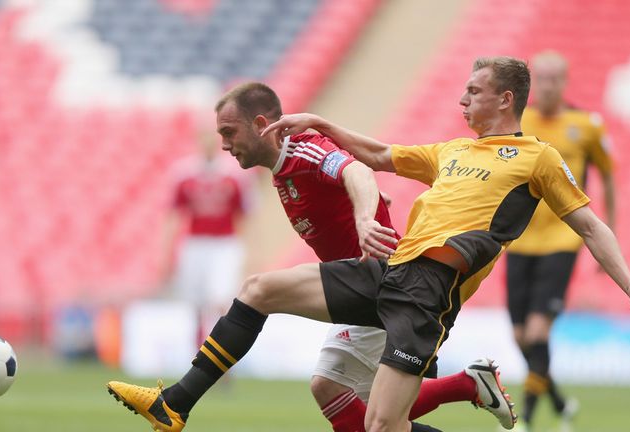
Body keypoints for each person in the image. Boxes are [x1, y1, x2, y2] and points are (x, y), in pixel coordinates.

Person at [258, 56, 630, 432]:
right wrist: (318, 122)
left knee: (380, 425)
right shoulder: (452, 150)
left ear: (505, 99)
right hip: (394, 271)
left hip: (432, 289)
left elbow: (590, 226)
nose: (462, 99)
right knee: (370, 415)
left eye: (473, 91)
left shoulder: (538, 158)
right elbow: (379, 154)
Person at [107, 82, 517, 432]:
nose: (225, 144)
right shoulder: (284, 168)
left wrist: (363, 218)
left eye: (230, 132)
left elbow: (358, 172)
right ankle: (469, 383)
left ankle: (175, 403)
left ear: (262, 125)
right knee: (362, 406)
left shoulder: (304, 150)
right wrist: (365, 206)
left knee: (259, 291)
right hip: (368, 288)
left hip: (381, 279)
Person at [504, 51, 616, 432]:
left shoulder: (585, 126)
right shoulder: (520, 122)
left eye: (555, 79)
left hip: (561, 240)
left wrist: (608, 232)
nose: (548, 85)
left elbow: (608, 174)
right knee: (521, 337)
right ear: (533, 82)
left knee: (537, 332)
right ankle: (560, 402)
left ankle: (527, 420)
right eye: (542, 78)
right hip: (518, 240)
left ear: (565, 82)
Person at [158, 121, 250, 345]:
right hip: (195, 244)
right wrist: (165, 253)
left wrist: (252, 252)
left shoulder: (234, 174)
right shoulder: (184, 174)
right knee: (196, 304)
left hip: (225, 244)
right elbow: (173, 216)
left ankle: (222, 350)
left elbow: (245, 215)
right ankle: (198, 351)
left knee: (221, 300)